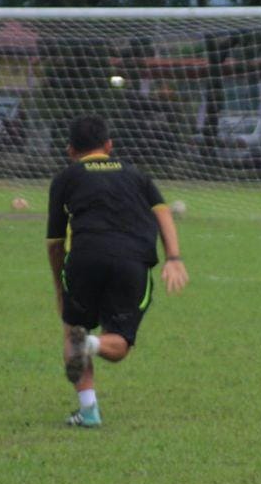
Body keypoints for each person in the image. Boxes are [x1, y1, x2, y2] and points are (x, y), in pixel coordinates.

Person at [46, 116, 189, 427]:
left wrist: (60, 288)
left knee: (73, 330)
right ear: (109, 146)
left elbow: (56, 244)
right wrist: (174, 257)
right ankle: (93, 344)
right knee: (120, 342)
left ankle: (88, 411)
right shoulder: (137, 175)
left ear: (70, 151)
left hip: (85, 259)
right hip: (132, 260)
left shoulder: (64, 178)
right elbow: (162, 213)